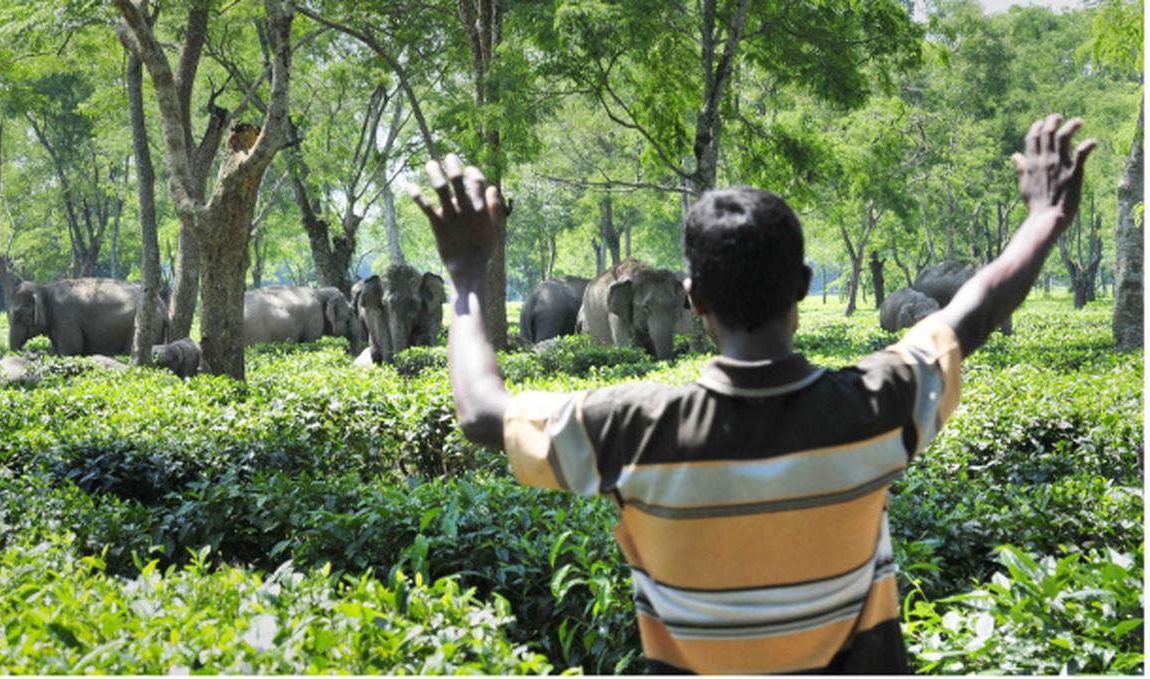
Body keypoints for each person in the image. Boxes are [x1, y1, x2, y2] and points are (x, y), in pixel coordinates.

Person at [406, 115, 1096, 674]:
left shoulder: (632, 428)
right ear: (801, 285)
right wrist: (1045, 215)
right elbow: (973, 308)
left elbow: (481, 412)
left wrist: (467, 276)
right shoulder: (879, 406)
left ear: (691, 300)